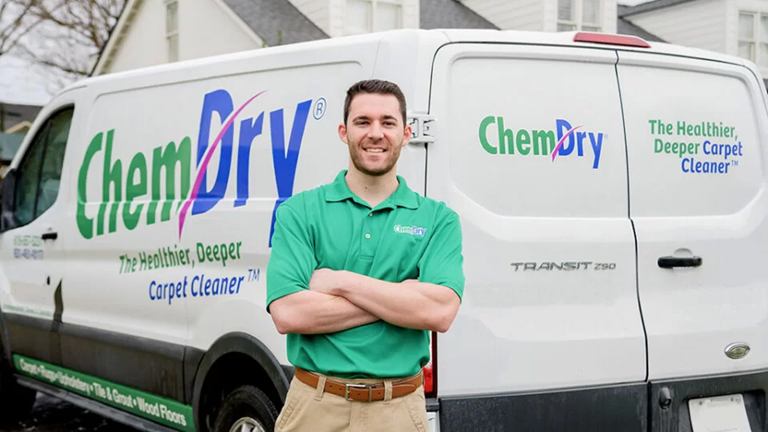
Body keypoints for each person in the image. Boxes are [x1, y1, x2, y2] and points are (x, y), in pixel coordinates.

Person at [266, 79, 465, 432]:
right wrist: (403, 296)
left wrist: (339, 281)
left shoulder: (438, 219)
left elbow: (440, 311)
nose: (376, 133)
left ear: (406, 133)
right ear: (344, 132)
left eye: (388, 122)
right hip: (315, 406)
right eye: (363, 122)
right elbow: (288, 312)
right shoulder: (300, 211)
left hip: (400, 411)